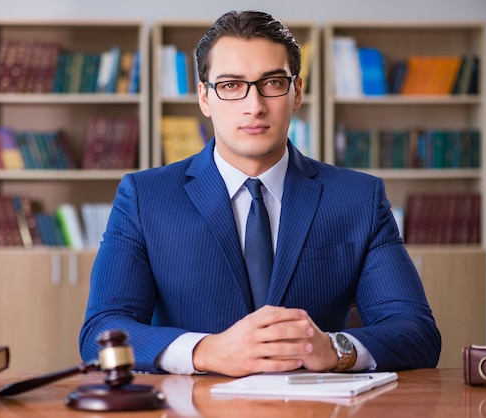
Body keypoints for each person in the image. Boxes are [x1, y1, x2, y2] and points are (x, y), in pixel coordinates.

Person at [79, 10, 441, 376]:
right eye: (231, 85)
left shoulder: (359, 198)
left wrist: (334, 348)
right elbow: (101, 331)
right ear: (204, 97)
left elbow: (417, 331)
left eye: (271, 83)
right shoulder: (145, 198)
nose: (254, 106)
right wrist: (206, 351)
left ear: (297, 92)